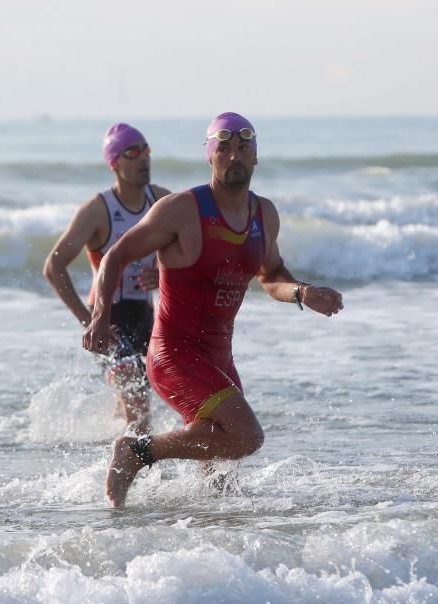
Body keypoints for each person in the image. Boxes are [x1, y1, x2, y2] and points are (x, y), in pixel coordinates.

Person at [83, 113, 344, 507]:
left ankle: (208, 543)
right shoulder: (182, 210)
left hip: (219, 358)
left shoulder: (264, 215)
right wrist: (101, 315)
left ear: (256, 156)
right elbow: (115, 255)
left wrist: (302, 292)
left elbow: (271, 275)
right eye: (224, 148)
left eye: (244, 148)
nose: (235, 156)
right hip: (173, 354)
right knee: (247, 436)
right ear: (210, 156)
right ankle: (136, 452)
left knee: (222, 478)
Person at [44, 123, 171, 433]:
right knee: (138, 403)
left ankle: (114, 448)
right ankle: (138, 474)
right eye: (133, 152)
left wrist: (165, 272)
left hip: (147, 317)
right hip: (110, 321)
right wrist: (88, 320)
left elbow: (190, 251)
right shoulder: (98, 211)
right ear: (114, 162)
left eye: (146, 150)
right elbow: (54, 266)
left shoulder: (164, 202)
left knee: (135, 400)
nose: (144, 159)